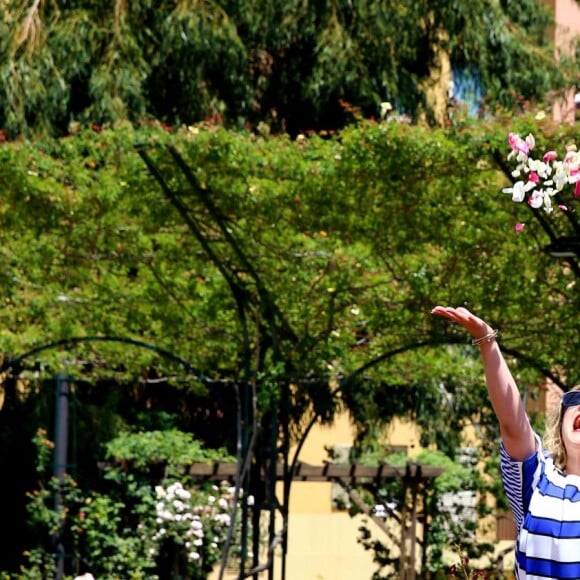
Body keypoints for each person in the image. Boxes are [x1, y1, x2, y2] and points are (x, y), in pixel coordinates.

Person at [431, 306, 580, 579]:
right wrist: (486, 340)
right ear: (559, 428)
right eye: (574, 399)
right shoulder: (538, 480)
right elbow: (513, 424)